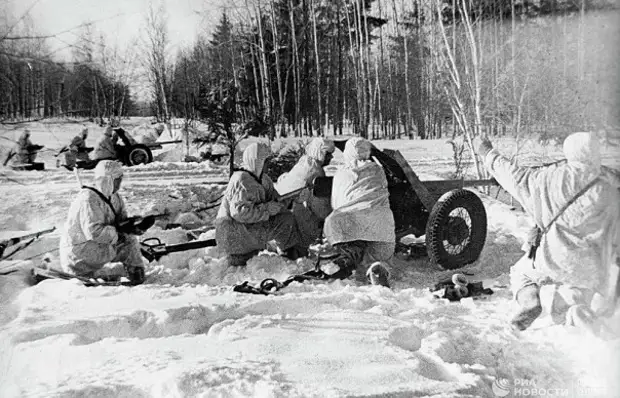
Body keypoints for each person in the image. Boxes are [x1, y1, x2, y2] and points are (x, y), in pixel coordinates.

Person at [479, 132, 620, 332]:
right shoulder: (608, 189)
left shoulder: (548, 178)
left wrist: (487, 152)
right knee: (585, 289)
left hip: (553, 259)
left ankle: (530, 302)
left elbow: (513, 176)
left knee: (521, 273)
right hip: (593, 266)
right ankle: (577, 313)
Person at [215, 142, 304, 266]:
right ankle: (241, 254)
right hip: (233, 232)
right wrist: (266, 209)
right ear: (256, 161)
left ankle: (288, 252)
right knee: (282, 221)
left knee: (285, 218)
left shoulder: (264, 179)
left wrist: (291, 198)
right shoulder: (241, 180)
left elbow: (276, 200)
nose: (268, 165)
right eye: (265, 161)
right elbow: (239, 213)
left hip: (247, 229)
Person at [323, 137, 395, 287]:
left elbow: (335, 203)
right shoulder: (377, 170)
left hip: (348, 224)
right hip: (381, 227)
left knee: (345, 233)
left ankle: (349, 261)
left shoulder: (341, 174)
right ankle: (377, 267)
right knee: (379, 255)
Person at [59, 160, 145, 284]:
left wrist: (136, 225)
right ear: (107, 180)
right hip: (80, 252)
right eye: (117, 180)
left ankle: (135, 273)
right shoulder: (88, 199)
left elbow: (122, 222)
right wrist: (120, 230)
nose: (119, 184)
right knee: (126, 241)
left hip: (94, 249)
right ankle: (86, 273)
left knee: (129, 240)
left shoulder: (115, 197)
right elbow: (94, 232)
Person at [276, 138, 336, 246]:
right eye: (328, 154)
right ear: (320, 153)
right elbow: (321, 209)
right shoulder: (314, 172)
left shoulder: (305, 163)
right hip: (302, 220)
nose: (331, 157)